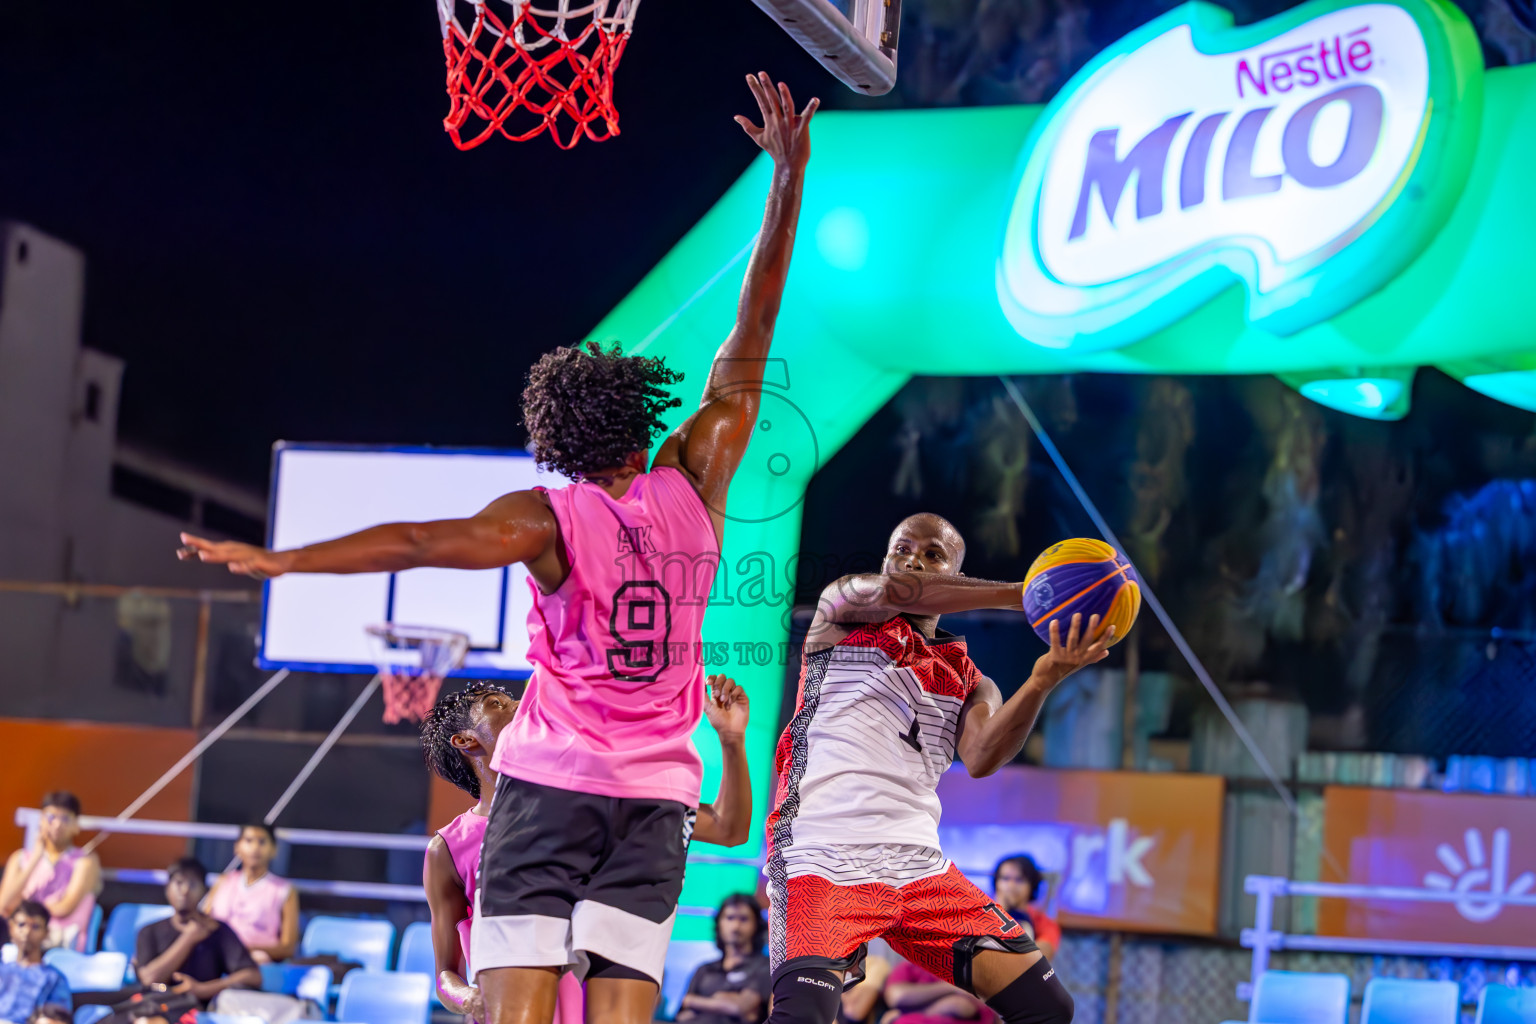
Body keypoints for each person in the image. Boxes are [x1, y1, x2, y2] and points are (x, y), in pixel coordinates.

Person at [177, 71, 817, 1024]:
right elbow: (754, 321)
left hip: (553, 789)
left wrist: (287, 562)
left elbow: (421, 539)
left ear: (559, 448)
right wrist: (785, 180)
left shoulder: (547, 517)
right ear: (642, 432)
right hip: (656, 800)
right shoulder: (697, 477)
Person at [763, 514, 1111, 1024]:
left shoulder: (973, 680)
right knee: (803, 1018)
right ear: (886, 558)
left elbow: (983, 757)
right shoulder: (844, 606)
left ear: (955, 572)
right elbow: (905, 591)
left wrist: (1043, 679)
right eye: (903, 547)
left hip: (918, 866)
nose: (914, 560)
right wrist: (1028, 592)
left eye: (933, 555)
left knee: (1048, 1007)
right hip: (822, 851)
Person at [420, 675, 755, 1024]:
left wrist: (731, 740)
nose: (520, 706)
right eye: (496, 706)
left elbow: (727, 828)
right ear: (466, 740)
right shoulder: (447, 849)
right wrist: (469, 999)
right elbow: (446, 975)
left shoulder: (592, 791)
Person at [133, 858, 261, 1007]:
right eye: (179, 883)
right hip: (156, 1004)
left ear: (204, 891)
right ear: (167, 888)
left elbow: (253, 976)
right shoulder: (149, 931)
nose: (185, 890)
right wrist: (189, 937)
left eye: (193, 884)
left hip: (200, 1010)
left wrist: (203, 989)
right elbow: (150, 980)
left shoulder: (216, 930)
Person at [0, 793, 102, 951]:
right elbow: (4, 904)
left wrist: (24, 902)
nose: (57, 824)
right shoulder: (21, 858)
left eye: (65, 818)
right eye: (51, 817)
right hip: (18, 936)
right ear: (41, 820)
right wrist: (35, 859)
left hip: (59, 939)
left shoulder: (85, 861)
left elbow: (64, 908)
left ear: (76, 825)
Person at [204, 823, 299, 964]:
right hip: (217, 957)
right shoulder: (222, 882)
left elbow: (288, 948)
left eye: (262, 842)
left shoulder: (284, 891)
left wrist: (244, 949)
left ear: (274, 850)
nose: (255, 848)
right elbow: (204, 923)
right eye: (248, 841)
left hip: (255, 963)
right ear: (237, 847)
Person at [677, 894, 771, 1024]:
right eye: (730, 918)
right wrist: (724, 1003)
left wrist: (694, 1001)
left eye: (743, 919)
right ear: (719, 922)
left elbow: (741, 1007)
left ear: (756, 924)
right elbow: (682, 1015)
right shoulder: (704, 970)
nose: (735, 926)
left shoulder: (765, 967)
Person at [0, 902, 71, 1023]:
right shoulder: (3, 971)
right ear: (11, 928)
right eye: (21, 925)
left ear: (46, 933)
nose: (27, 932)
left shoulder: (53, 978)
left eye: (35, 927)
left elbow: (60, 1020)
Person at [881, 959, 994, 1024]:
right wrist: (952, 988)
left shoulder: (968, 966)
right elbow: (897, 996)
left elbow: (961, 1007)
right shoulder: (909, 966)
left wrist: (905, 1012)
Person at [990, 857, 1060, 961]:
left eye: (1019, 880)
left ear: (1031, 885)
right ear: (996, 883)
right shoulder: (983, 913)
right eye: (1005, 878)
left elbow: (1039, 958)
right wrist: (999, 912)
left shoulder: (1043, 922)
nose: (1011, 885)